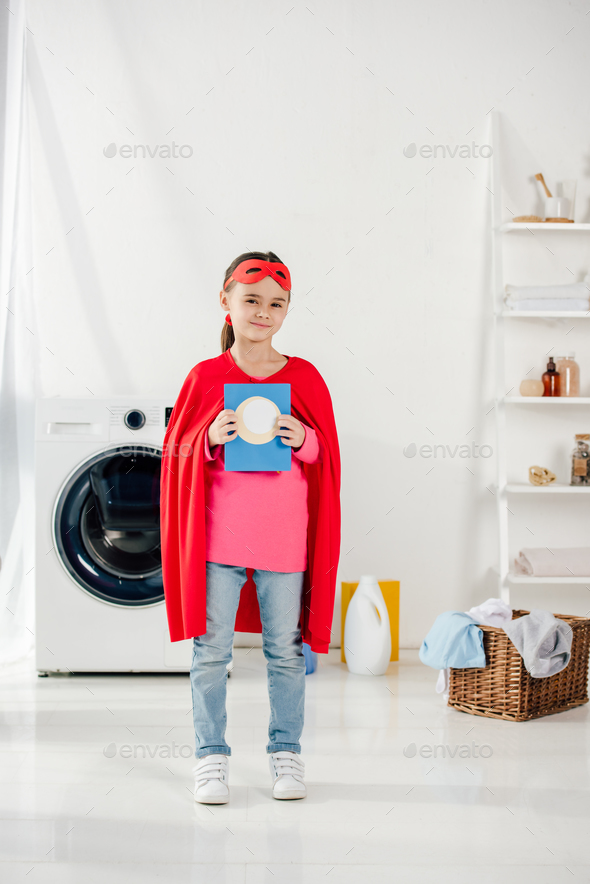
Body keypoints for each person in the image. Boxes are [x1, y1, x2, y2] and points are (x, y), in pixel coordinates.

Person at [160, 251, 341, 805]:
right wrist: (208, 438)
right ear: (227, 302)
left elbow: (327, 457)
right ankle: (211, 758)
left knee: (284, 653)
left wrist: (303, 439)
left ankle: (286, 753)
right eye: (252, 300)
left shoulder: (304, 376)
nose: (264, 312)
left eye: (276, 304)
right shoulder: (205, 377)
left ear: (287, 310)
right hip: (219, 542)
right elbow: (176, 455)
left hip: (284, 542)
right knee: (211, 653)